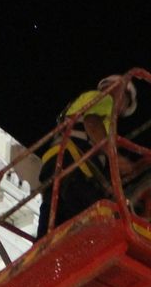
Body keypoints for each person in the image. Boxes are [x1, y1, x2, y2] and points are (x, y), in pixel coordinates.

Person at [36, 75, 138, 234]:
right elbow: (91, 122)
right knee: (95, 222)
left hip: (55, 162)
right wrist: (114, 157)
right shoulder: (105, 99)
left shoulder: (86, 100)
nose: (122, 108)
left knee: (52, 220)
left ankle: (41, 247)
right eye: (125, 100)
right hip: (74, 163)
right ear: (116, 88)